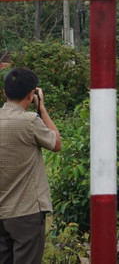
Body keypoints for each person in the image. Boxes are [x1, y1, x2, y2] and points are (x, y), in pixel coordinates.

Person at [1, 67, 62, 264]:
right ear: (31, 94)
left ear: (4, 92)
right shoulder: (29, 122)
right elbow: (56, 143)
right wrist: (41, 108)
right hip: (26, 212)